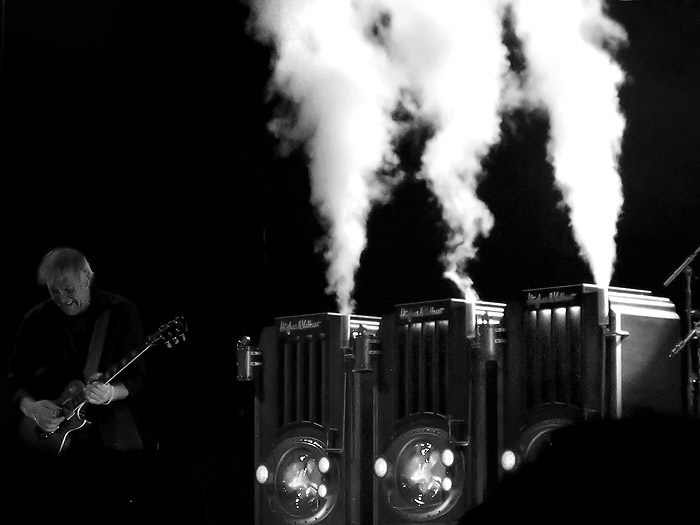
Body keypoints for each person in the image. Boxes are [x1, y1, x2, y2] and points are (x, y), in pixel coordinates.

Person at [4, 247, 154, 522]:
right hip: (47, 448)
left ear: (87, 278)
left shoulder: (120, 311)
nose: (63, 298)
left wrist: (111, 392)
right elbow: (14, 379)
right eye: (54, 291)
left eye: (69, 289)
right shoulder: (36, 319)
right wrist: (32, 408)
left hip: (109, 447)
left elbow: (140, 379)